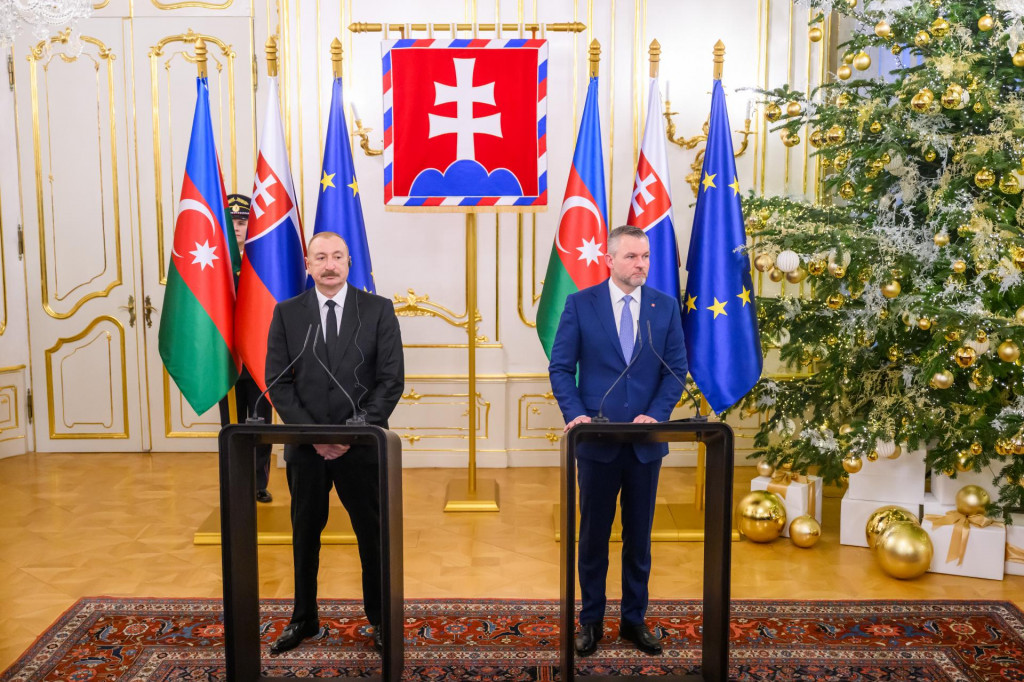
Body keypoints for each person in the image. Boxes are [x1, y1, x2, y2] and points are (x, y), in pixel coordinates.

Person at [548, 225, 687, 658]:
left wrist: (657, 414)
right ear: (609, 260)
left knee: (639, 539)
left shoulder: (663, 308)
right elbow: (560, 368)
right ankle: (590, 621)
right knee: (592, 538)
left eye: (645, 256)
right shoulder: (579, 304)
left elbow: (675, 369)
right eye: (631, 257)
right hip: (597, 442)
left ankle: (633, 620)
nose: (640, 264)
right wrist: (577, 416)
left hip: (645, 443)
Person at [265, 231, 404, 655]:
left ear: (349, 263)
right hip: (306, 450)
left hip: (359, 448)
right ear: (307, 265)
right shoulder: (286, 313)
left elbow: (390, 380)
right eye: (320, 257)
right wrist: (316, 437)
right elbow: (279, 382)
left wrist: (346, 435)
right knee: (305, 534)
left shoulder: (378, 310)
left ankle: (380, 620)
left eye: (337, 257)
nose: (329, 265)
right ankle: (303, 619)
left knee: (371, 535)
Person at [219, 193, 272, 503]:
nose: (237, 227)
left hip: (259, 357)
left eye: (242, 221)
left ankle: (257, 483)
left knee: (261, 422)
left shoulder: (262, 262)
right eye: (232, 221)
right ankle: (234, 482)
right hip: (227, 357)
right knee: (231, 425)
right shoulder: (215, 264)